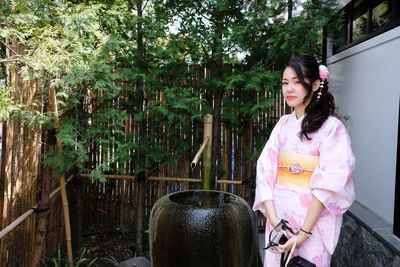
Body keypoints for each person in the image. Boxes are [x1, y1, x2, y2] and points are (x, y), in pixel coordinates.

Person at [253, 56, 355, 267]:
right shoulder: (282, 125)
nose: (289, 88)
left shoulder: (331, 128)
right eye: (285, 82)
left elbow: (330, 183)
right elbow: (265, 171)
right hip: (280, 223)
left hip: (312, 226)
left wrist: (303, 234)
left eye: (297, 82)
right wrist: (274, 221)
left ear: (315, 85)